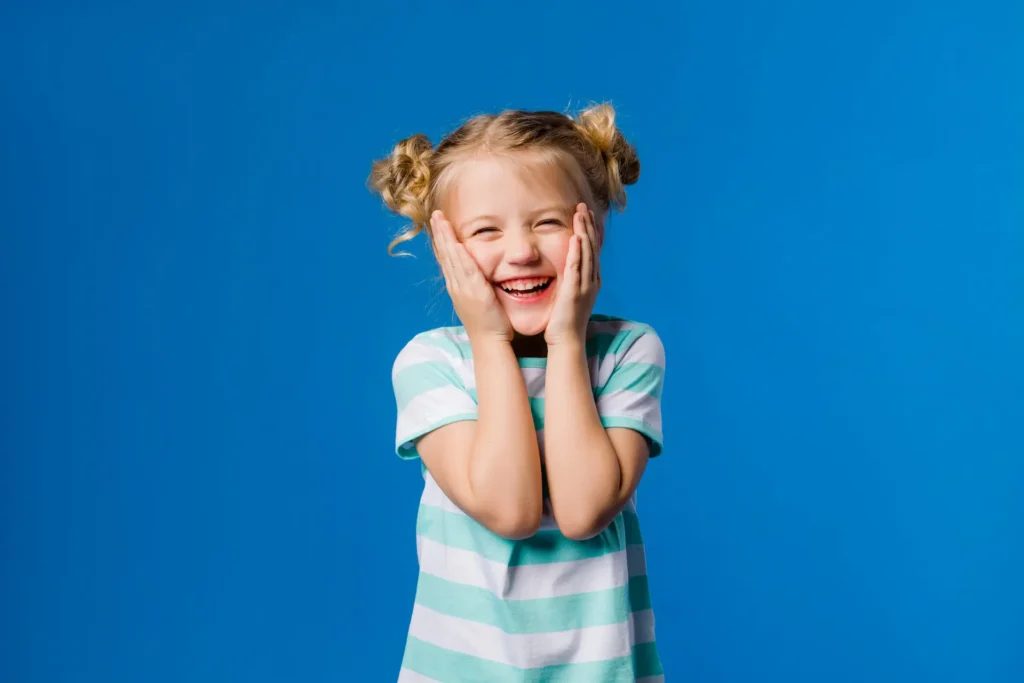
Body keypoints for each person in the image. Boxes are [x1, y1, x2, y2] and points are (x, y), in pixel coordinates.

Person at [368, 102, 667, 682]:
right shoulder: (434, 362)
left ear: (594, 229)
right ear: (444, 248)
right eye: (486, 230)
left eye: (548, 222)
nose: (522, 251)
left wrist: (566, 339)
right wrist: (487, 339)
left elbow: (583, 512)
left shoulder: (628, 352)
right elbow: (512, 510)